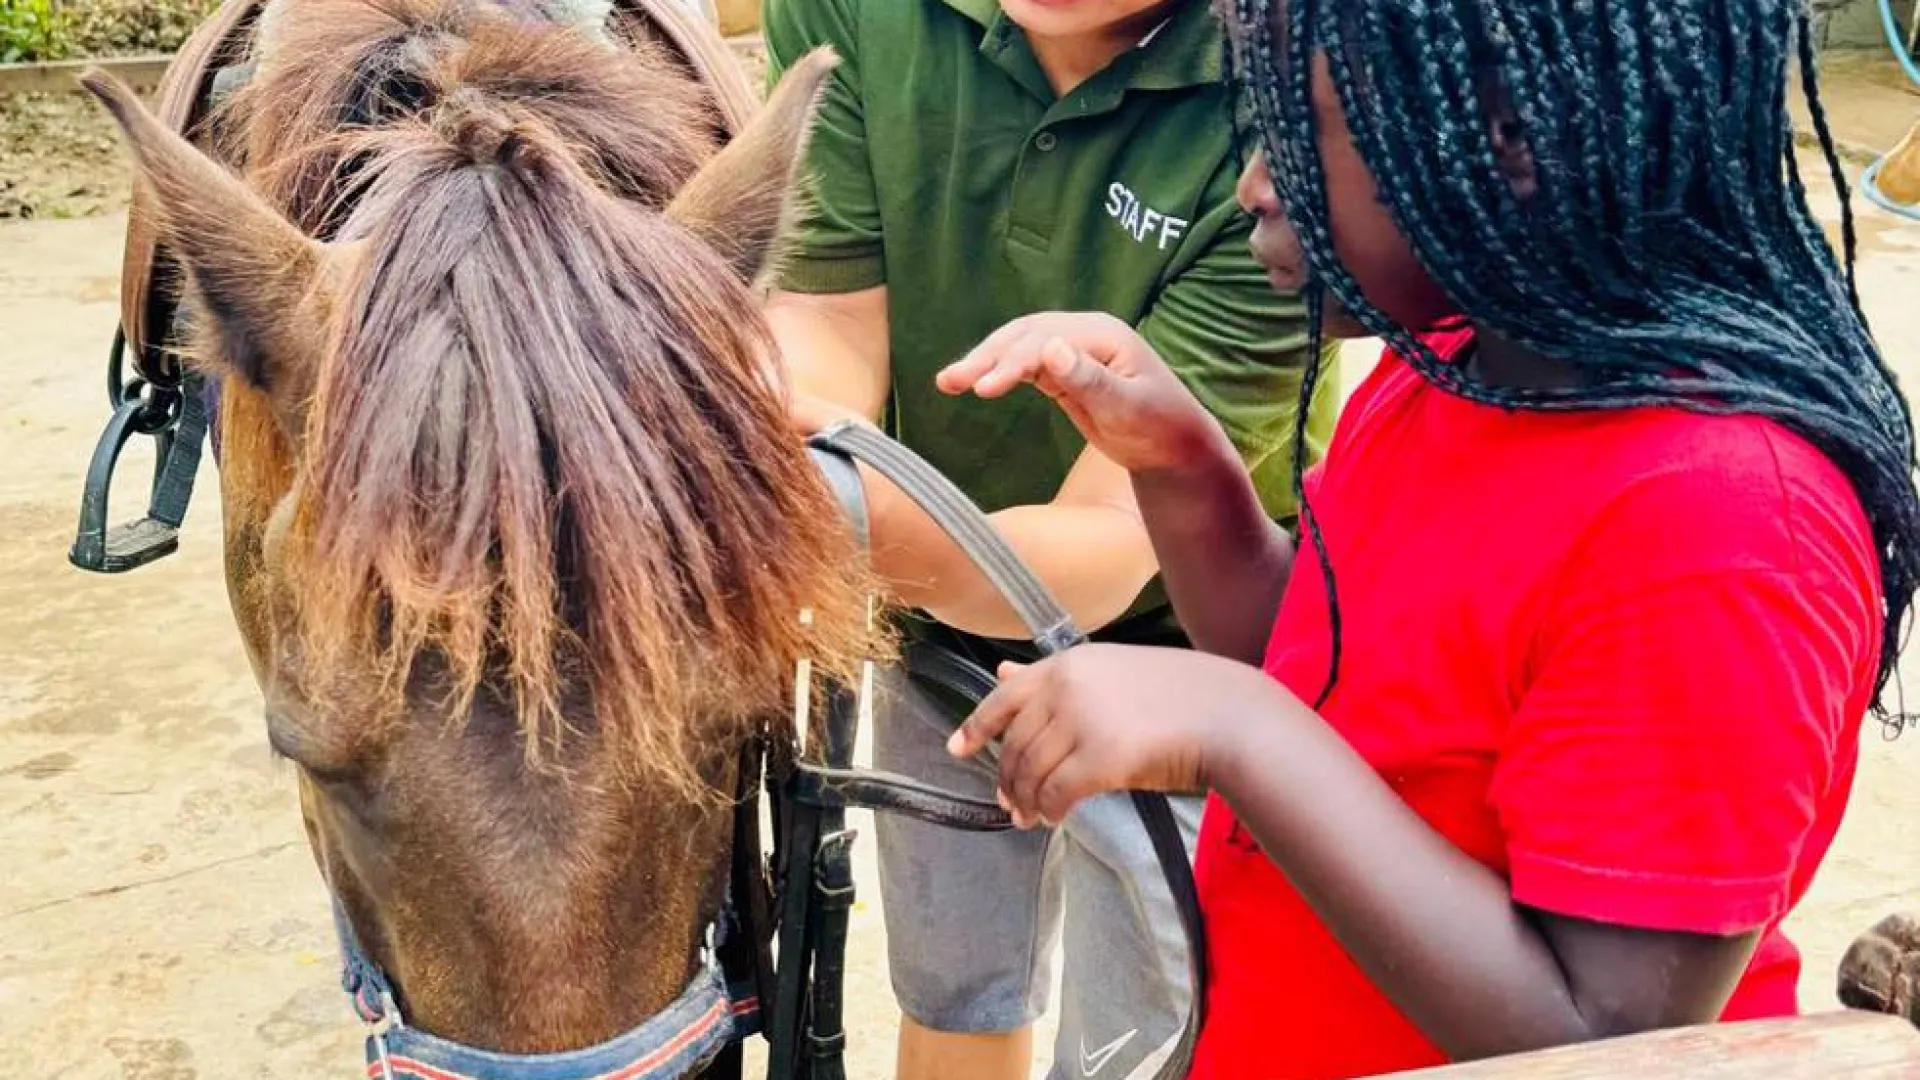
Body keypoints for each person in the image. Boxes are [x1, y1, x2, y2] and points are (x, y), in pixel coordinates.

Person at [940, 0, 1920, 1077]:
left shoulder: (1722, 528)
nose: (1255, 187)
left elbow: (1605, 1040)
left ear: (1511, 137)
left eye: (1304, 134)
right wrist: (1186, 473)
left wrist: (1235, 728)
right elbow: (1323, 669)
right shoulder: (1456, 368)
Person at [758, 0, 1337, 1076]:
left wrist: (813, 514)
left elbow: (1105, 541)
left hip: (1183, 653)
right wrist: (815, 457)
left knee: (1151, 1031)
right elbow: (828, 314)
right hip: (923, 605)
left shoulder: (1300, 99)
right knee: (955, 987)